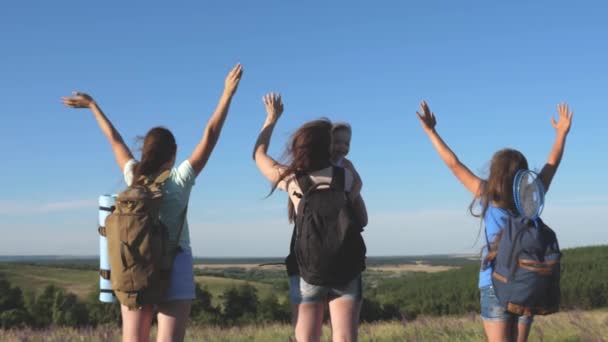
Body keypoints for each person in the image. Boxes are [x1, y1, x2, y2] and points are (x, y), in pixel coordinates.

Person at [61, 63, 243, 342]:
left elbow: (114, 140)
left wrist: (93, 105)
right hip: (176, 261)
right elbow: (210, 134)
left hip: (135, 264)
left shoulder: (133, 175)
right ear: (173, 154)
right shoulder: (180, 179)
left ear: (145, 152)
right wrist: (227, 94)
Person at [416, 100, 573, 342]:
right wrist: (561, 132)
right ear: (523, 174)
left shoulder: (487, 194)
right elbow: (553, 162)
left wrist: (430, 131)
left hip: (494, 283)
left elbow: (453, 164)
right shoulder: (532, 195)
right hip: (526, 282)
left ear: (495, 171)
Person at [253, 93, 368, 342]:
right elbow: (363, 219)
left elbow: (258, 155)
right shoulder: (347, 177)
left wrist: (271, 119)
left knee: (306, 337)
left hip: (307, 268)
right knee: (346, 337)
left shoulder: (294, 181)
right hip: (346, 266)